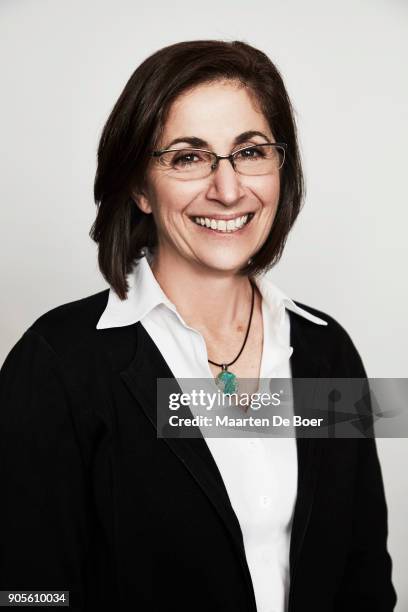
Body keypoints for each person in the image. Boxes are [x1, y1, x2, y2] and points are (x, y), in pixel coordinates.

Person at [0, 40, 397, 612]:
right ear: (139, 186)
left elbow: (364, 581)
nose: (229, 188)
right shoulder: (57, 362)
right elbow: (26, 593)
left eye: (251, 151)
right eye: (189, 157)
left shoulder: (327, 349)